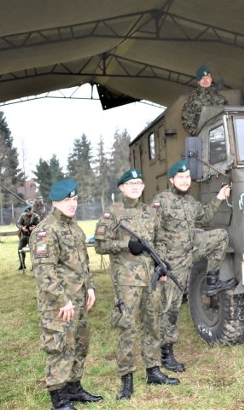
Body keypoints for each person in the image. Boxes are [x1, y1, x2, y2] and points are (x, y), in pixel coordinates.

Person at [94, 168, 179, 401]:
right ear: (121, 188)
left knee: (153, 324)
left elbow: (159, 241)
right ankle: (127, 379)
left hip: (150, 280)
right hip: (127, 283)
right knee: (127, 329)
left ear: (143, 187)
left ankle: (153, 371)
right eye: (130, 183)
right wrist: (125, 245)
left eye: (139, 183)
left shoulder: (150, 213)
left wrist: (162, 265)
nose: (135, 187)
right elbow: (100, 244)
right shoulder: (112, 214)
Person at [152, 160, 237, 372]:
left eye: (188, 177)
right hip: (172, 263)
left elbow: (206, 216)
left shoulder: (190, 202)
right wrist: (158, 264)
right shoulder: (161, 201)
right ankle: (166, 354)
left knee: (220, 236)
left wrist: (219, 197)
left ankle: (211, 281)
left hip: (191, 250)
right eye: (180, 177)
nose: (185, 180)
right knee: (170, 309)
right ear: (172, 180)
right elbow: (150, 233)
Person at [29, 178, 103, 410]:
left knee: (80, 343)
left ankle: (74, 388)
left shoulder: (73, 227)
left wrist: (90, 287)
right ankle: (59, 400)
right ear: (54, 202)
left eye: (74, 199)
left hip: (79, 299)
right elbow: (44, 271)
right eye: (66, 200)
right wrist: (63, 300)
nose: (72, 204)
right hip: (59, 303)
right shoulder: (45, 231)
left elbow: (83, 263)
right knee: (59, 346)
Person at [181, 65, 227, 135]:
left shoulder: (220, 98)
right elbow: (186, 120)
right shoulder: (192, 100)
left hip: (223, 134)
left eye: (207, 77)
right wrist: (198, 134)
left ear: (211, 79)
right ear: (198, 82)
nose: (205, 80)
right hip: (205, 138)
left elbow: (228, 113)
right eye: (202, 78)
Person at [16, 205, 41, 270]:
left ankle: (33, 266)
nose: (27, 213)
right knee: (20, 249)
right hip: (24, 235)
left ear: (31, 211)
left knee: (33, 250)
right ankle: (22, 265)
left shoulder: (36, 216)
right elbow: (18, 223)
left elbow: (40, 225)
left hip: (32, 236)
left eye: (29, 212)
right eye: (26, 212)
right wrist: (22, 228)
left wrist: (34, 227)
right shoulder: (23, 215)